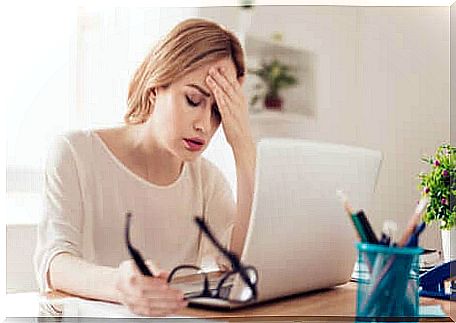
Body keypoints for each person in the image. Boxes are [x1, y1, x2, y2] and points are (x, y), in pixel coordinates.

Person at [33, 18, 256, 317]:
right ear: (155, 89)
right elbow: (53, 263)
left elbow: (241, 263)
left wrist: (243, 148)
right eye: (193, 100)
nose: (205, 125)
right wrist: (119, 284)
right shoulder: (74, 153)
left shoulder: (207, 179)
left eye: (218, 111)